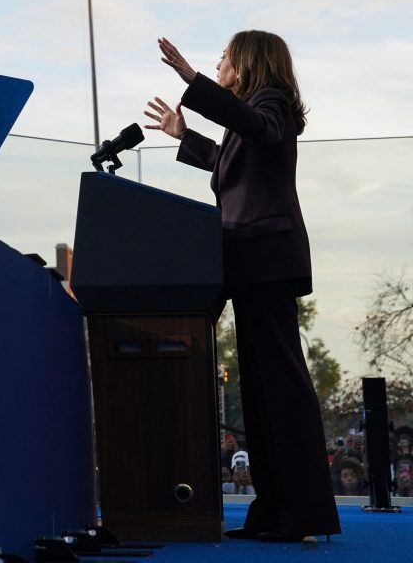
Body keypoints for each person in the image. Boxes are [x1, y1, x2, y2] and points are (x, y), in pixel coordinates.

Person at [144, 31, 340, 543]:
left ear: (249, 63)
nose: (218, 62)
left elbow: (255, 127)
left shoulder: (270, 105)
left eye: (226, 57)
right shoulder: (249, 119)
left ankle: (302, 510)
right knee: (258, 392)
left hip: (266, 261)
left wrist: (193, 81)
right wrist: (183, 136)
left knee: (280, 387)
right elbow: (227, 167)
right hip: (246, 262)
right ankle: (274, 509)